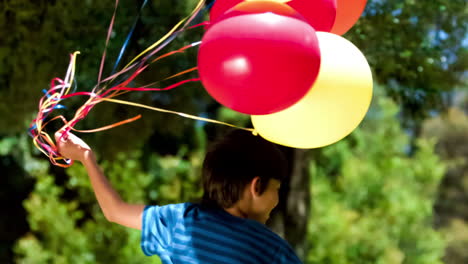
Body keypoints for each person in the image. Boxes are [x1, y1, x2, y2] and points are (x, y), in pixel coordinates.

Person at [55, 129, 302, 264]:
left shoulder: (181, 220)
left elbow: (114, 210)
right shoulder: (273, 250)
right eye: (276, 190)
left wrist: (86, 157)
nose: (276, 201)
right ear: (256, 186)